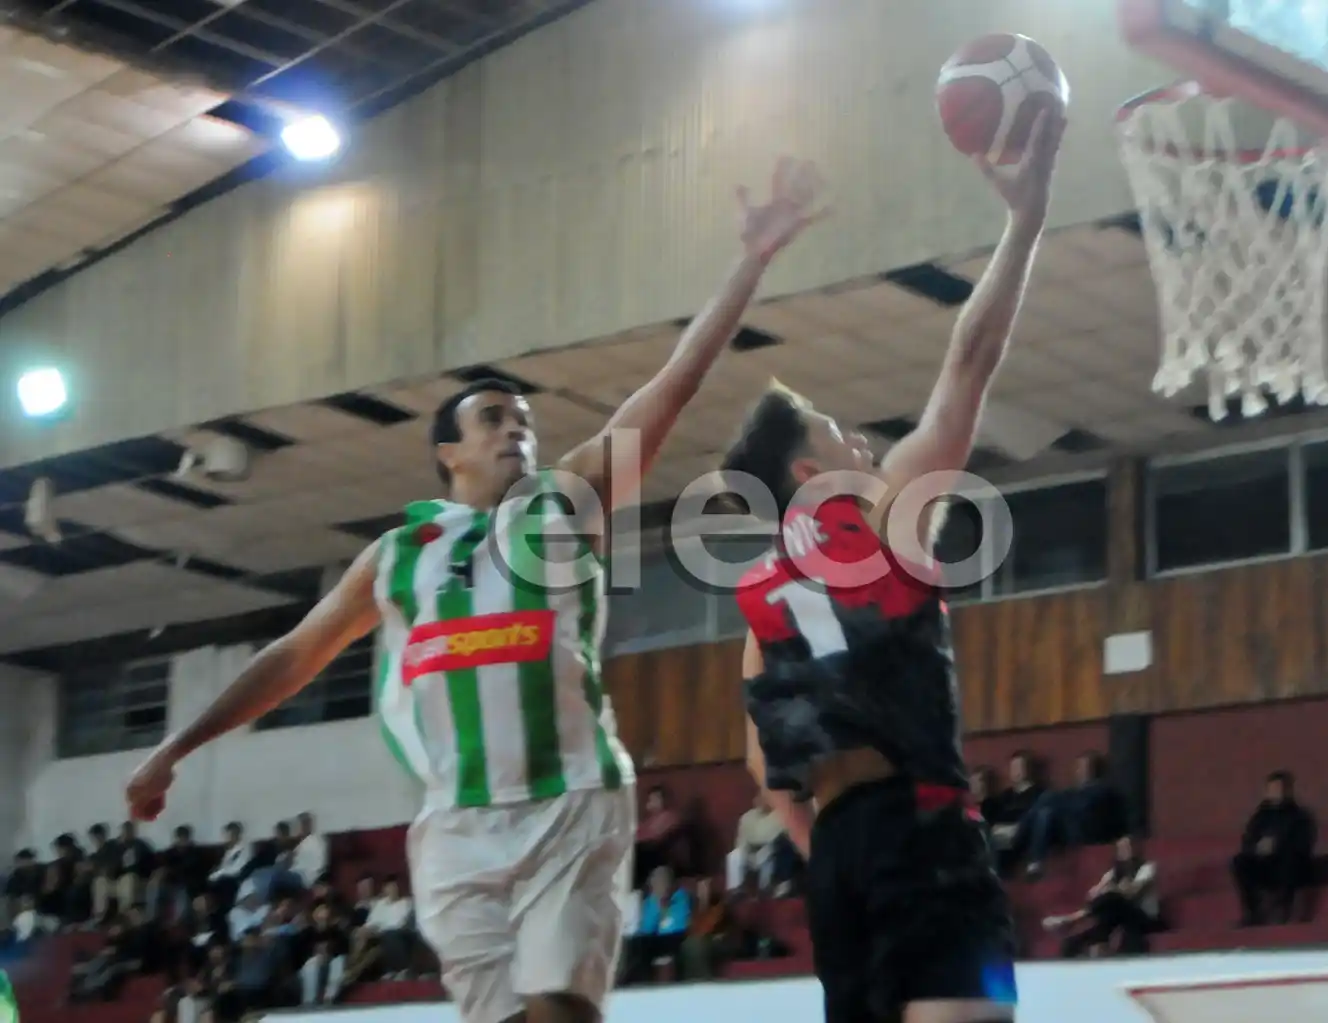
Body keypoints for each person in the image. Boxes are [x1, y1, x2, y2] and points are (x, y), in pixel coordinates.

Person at [124, 158, 828, 1023]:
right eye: (494, 420)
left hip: (571, 797)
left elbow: (670, 387)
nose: (517, 433)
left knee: (561, 1007)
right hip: (456, 824)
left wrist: (749, 262)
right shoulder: (395, 555)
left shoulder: (563, 504)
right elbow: (290, 659)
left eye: (525, 423)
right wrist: (175, 749)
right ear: (447, 454)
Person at [725, 111, 1065, 1023]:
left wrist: (826, 846)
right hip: (920, 828)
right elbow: (971, 361)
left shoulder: (760, 597)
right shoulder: (885, 516)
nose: (864, 439)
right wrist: (1024, 221)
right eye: (841, 433)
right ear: (808, 473)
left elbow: (762, 762)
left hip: (839, 854)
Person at [1042, 836, 1163, 958]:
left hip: (1144, 917)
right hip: (1116, 917)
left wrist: (1111, 890)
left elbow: (1132, 893)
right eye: (1123, 848)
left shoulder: (1147, 868)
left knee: (1113, 898)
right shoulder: (1114, 873)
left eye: (1130, 847)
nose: (1128, 851)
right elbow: (1093, 895)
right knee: (1072, 943)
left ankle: (1072, 920)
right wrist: (1102, 889)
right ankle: (1081, 945)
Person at [1231, 770, 1317, 926]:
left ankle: (1284, 909)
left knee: (1289, 860)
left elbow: (1304, 845)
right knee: (1240, 862)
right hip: (1266, 865)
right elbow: (1247, 842)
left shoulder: (1300, 816)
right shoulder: (1260, 818)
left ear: (1288, 791)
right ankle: (1252, 913)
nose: (1275, 793)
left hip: (1291, 866)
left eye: (1279, 789)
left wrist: (1277, 846)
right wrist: (1257, 849)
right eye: (1272, 790)